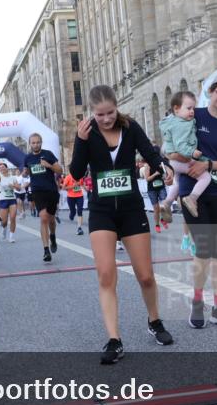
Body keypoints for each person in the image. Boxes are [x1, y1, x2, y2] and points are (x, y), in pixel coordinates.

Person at [69, 84, 174, 364]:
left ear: (117, 107)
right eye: (100, 114)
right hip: (102, 210)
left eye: (110, 112)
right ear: (92, 112)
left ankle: (154, 321)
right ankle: (114, 340)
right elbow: (77, 172)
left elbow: (150, 153)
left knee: (145, 276)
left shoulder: (130, 127)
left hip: (130, 209)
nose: (106, 119)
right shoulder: (87, 133)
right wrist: (79, 141)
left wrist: (164, 167)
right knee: (106, 274)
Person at [174, 70, 217, 330]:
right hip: (193, 195)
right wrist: (177, 163)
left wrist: (209, 165)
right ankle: (196, 302)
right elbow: (172, 139)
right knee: (203, 250)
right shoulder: (196, 115)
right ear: (210, 93)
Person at [160, 91, 212, 218]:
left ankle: (167, 203)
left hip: (174, 163)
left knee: (177, 183)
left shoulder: (171, 121)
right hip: (182, 159)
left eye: (193, 108)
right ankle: (192, 198)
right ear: (176, 109)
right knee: (205, 177)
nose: (192, 111)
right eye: (189, 108)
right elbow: (180, 145)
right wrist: (192, 152)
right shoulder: (182, 125)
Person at [25, 134, 63, 262]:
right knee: (43, 217)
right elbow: (25, 171)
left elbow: (60, 170)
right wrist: (24, 173)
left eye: (38, 142)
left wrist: (49, 165)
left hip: (51, 190)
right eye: (33, 143)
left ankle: (52, 236)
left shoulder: (48, 154)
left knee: (51, 219)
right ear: (30, 144)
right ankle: (46, 250)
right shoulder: (28, 157)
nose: (36, 145)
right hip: (37, 191)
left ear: (41, 142)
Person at [140, 158, 168, 234]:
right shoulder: (147, 166)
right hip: (152, 189)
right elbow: (147, 179)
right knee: (156, 208)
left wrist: (165, 176)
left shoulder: (160, 164)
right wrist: (155, 174)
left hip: (161, 187)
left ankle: (162, 218)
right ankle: (157, 225)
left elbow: (165, 175)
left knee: (164, 204)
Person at [0, 162, 18, 243]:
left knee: (13, 217)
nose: (2, 169)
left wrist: (14, 186)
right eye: (0, 168)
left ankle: (11, 236)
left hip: (12, 199)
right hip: (3, 199)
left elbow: (19, 188)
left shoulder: (13, 177)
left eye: (3, 167)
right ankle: (4, 229)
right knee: (4, 221)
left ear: (6, 168)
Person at [61, 171, 87, 236]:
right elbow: (63, 188)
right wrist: (73, 186)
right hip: (70, 197)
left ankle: (79, 228)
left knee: (80, 210)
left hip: (79, 196)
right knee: (73, 211)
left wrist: (85, 188)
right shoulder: (68, 177)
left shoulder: (80, 177)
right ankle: (72, 214)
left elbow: (82, 184)